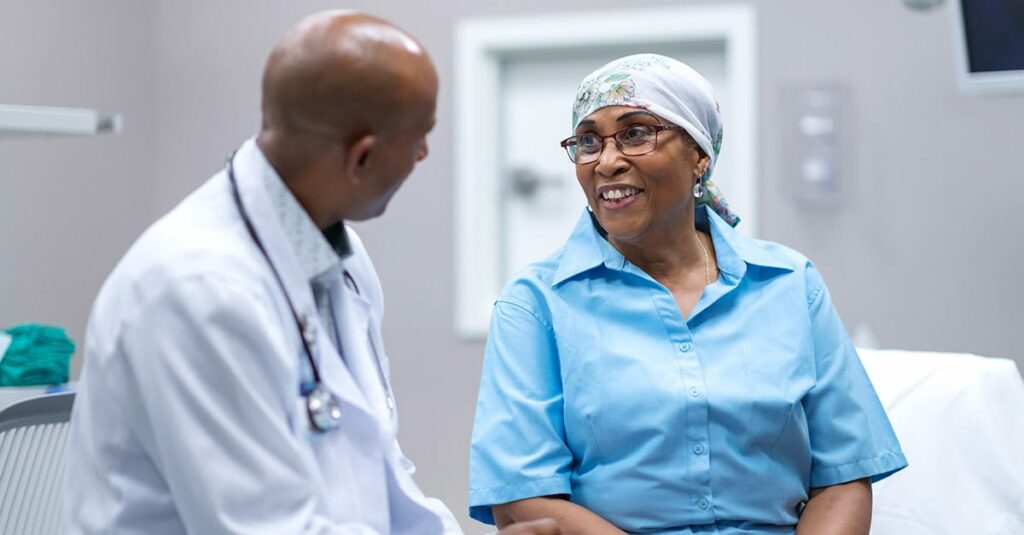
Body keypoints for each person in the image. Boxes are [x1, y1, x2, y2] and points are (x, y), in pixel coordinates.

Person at [63, 11, 560, 535]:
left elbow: (380, 471)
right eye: (420, 136)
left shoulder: (340, 258)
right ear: (362, 158)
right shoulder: (197, 290)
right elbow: (266, 527)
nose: (423, 153)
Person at [468, 54, 907, 535]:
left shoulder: (788, 283)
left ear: (699, 155)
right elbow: (525, 500)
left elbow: (843, 477)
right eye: (588, 141)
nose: (607, 162)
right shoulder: (537, 303)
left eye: (636, 133)